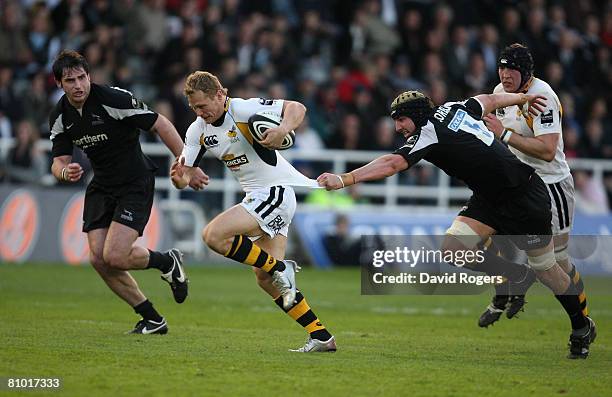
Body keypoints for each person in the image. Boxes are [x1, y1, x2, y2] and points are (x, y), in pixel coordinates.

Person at [318, 89, 596, 359]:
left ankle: (581, 326)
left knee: (547, 269)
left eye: (401, 119)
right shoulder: (454, 107)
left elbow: (392, 163)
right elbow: (488, 100)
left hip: (524, 197)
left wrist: (345, 179)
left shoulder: (428, 131)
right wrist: (522, 98)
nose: (397, 127)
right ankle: (516, 275)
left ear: (415, 115)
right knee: (453, 248)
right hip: (488, 198)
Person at [169, 71, 336, 352]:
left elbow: (297, 108)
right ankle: (321, 336)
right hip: (260, 196)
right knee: (265, 278)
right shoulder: (197, 130)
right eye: (194, 108)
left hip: (275, 191)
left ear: (220, 95)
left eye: (203, 106)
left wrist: (283, 129)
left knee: (213, 235)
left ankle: (282, 268)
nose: (200, 113)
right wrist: (178, 178)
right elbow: (184, 175)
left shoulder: (244, 109)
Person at [49, 50, 197, 335]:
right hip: (101, 185)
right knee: (98, 259)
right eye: (70, 80)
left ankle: (167, 261)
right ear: (59, 84)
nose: (78, 85)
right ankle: (152, 319)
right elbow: (58, 162)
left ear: (90, 76)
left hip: (134, 182)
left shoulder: (112, 99)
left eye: (82, 77)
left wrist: (185, 165)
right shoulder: (60, 115)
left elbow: (161, 123)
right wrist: (65, 172)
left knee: (115, 256)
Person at [478, 43, 589, 328]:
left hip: (551, 186)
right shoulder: (500, 93)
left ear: (526, 72)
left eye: (511, 68)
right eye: (502, 67)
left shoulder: (543, 97)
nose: (505, 74)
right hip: (516, 184)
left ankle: (583, 321)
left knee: (556, 264)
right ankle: (506, 289)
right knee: (483, 238)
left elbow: (547, 150)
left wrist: (503, 135)